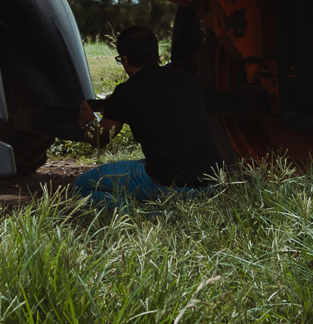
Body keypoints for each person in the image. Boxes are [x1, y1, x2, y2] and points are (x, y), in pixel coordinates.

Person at [74, 26, 224, 207]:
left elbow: (99, 140)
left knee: (82, 186)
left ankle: (143, 214)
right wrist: (123, 111)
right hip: (210, 184)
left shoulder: (127, 91)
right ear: (155, 53)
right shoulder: (185, 79)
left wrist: (87, 122)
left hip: (169, 184)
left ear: (124, 59)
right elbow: (164, 119)